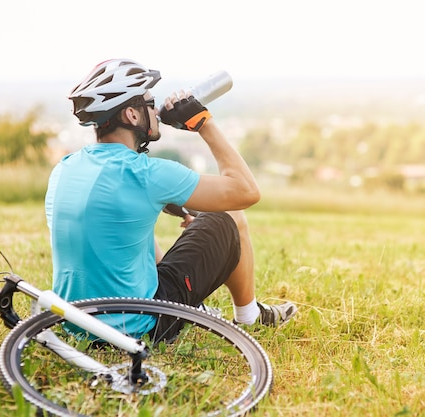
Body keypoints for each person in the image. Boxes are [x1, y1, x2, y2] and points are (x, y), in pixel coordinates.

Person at [45, 59, 297, 338]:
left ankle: (200, 306)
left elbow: (114, 213)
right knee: (229, 218)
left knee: (130, 236)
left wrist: (174, 204)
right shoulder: (146, 173)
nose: (155, 111)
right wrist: (203, 123)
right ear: (131, 115)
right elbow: (246, 191)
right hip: (138, 328)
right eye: (150, 104)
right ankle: (250, 317)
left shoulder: (65, 168)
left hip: (76, 325)